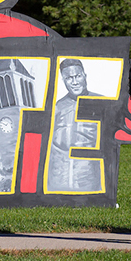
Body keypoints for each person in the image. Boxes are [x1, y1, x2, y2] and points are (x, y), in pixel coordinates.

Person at [47, 59, 101, 191]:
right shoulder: (57, 107)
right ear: (63, 80)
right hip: (58, 177)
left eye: (78, 76)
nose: (75, 82)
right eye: (69, 78)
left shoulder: (101, 103)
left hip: (89, 176)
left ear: (85, 76)